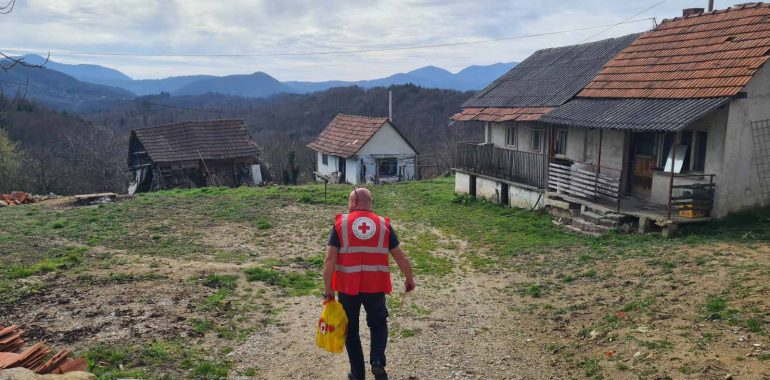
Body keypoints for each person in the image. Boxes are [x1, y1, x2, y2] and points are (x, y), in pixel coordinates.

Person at [323, 187, 416, 380]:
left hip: (348, 287)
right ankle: (377, 361)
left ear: (354, 202)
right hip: (375, 286)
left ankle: (358, 375)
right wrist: (409, 279)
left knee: (351, 331)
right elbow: (400, 256)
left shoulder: (341, 224)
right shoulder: (384, 225)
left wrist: (328, 290)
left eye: (349, 202)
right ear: (370, 202)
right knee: (378, 325)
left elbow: (329, 260)